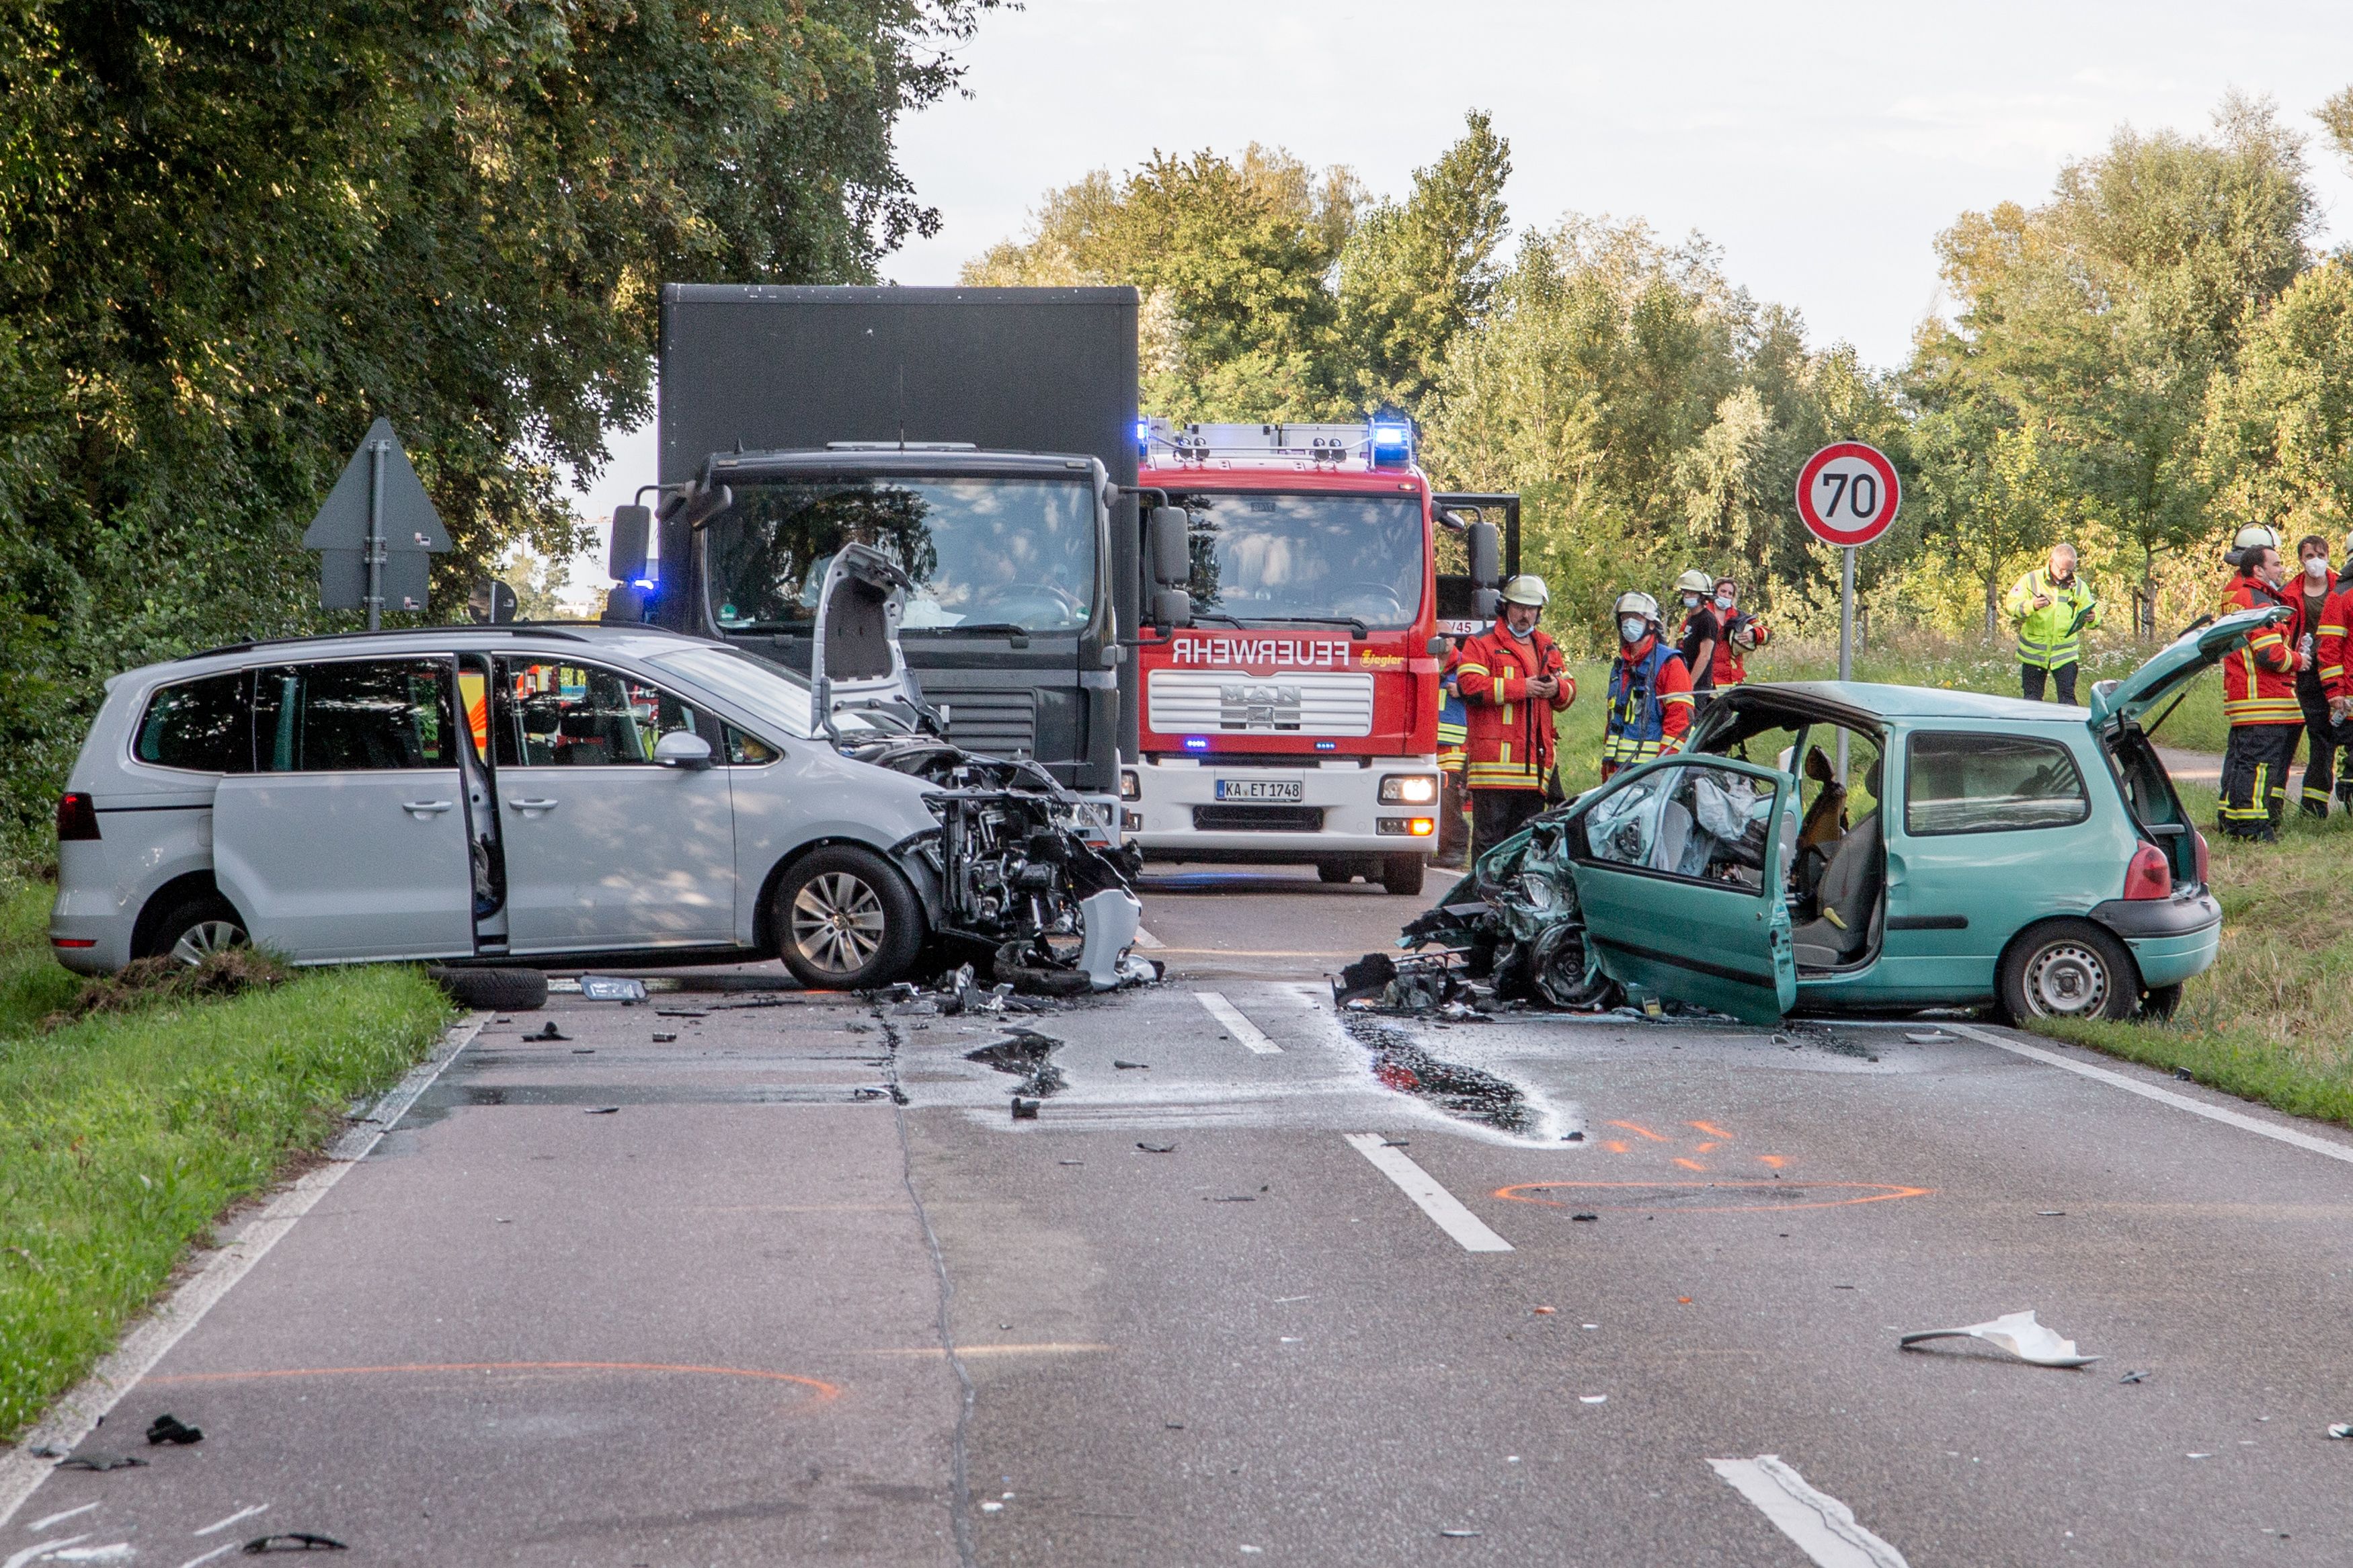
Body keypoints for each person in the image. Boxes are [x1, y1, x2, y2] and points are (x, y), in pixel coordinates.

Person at [1455, 576, 1576, 861]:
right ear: (1505, 607)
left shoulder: (1547, 646)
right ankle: (1483, 900)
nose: (1525, 615)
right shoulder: (1481, 644)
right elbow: (1469, 686)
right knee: (1491, 843)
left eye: (1532, 609)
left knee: (1526, 846)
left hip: (1533, 769)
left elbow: (1569, 693)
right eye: (1520, 607)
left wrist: (1556, 688)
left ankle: (1516, 901)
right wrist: (1523, 688)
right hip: (1494, 769)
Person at [2219, 526, 2300, 841]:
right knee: (2259, 767)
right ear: (2258, 567)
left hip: (2244, 695)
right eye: (2277, 564)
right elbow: (2270, 655)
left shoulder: (2234, 592)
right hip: (2263, 698)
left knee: (2241, 764)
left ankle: (2232, 821)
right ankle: (2254, 829)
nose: (2282, 569)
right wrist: (2298, 660)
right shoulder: (2259, 601)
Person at [1600, 591, 1695, 781]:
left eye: (1636, 617)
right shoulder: (1622, 667)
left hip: (1652, 777)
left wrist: (1662, 772)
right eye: (1625, 617)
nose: (1629, 623)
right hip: (1618, 777)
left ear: (1651, 624)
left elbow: (1680, 724)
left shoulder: (1670, 664)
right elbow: (1613, 724)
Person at [2003, 544, 2101, 704]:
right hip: (2034, 653)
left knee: (2068, 699)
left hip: (2065, 654)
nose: (2065, 574)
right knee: (2032, 701)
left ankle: (2069, 728)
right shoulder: (2031, 579)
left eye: (2069, 570)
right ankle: (2032, 729)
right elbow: (2011, 605)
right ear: (2051, 562)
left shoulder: (2078, 585)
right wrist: (2032, 606)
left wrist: (2093, 618)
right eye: (2062, 569)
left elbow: (2093, 611)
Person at [2289, 534, 2342, 817]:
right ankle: (2306, 806)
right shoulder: (2290, 592)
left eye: (2320, 555)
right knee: (2312, 733)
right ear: (2301, 559)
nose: (2316, 562)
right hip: (2305, 672)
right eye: (2310, 556)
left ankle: (2318, 804)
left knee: (2331, 737)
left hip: (2336, 672)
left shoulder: (2340, 588)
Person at [1434, 636, 1472, 868]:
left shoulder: (1465, 666)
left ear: (1453, 640)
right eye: (1436, 634)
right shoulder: (1428, 662)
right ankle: (1437, 847)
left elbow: (1483, 690)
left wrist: (1463, 691)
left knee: (1449, 800)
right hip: (1427, 746)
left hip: (1455, 748)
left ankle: (1456, 849)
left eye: (1446, 636)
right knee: (1430, 801)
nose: (1441, 640)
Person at [1672, 568, 1720, 706]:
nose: (1687, 595)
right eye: (1685, 592)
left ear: (1702, 596)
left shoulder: (1707, 619)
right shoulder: (1691, 618)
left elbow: (1705, 655)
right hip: (1685, 681)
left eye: (1692, 592)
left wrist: (1689, 685)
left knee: (1693, 725)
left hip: (1697, 686)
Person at [1710, 578, 1769, 688]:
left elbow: (1766, 633)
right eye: (1723, 591)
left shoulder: (1740, 617)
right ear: (1715, 592)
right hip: (1707, 678)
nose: (1726, 595)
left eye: (1730, 593)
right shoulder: (1702, 614)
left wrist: (1754, 634)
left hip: (1732, 678)